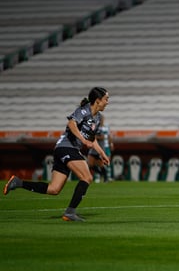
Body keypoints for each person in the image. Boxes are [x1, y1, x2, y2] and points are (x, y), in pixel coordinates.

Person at [3, 87, 110, 222]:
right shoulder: (84, 110)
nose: (107, 102)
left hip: (64, 149)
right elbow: (71, 124)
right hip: (66, 147)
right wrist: (83, 140)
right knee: (87, 177)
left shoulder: (97, 118)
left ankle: (18, 183)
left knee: (54, 189)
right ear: (98, 100)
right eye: (106, 99)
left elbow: (92, 139)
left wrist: (101, 153)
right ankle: (70, 212)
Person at [88, 114, 114, 183]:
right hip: (93, 148)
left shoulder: (102, 128)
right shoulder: (94, 126)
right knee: (90, 164)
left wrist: (94, 137)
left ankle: (106, 177)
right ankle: (101, 174)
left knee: (102, 164)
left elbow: (102, 137)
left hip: (100, 148)